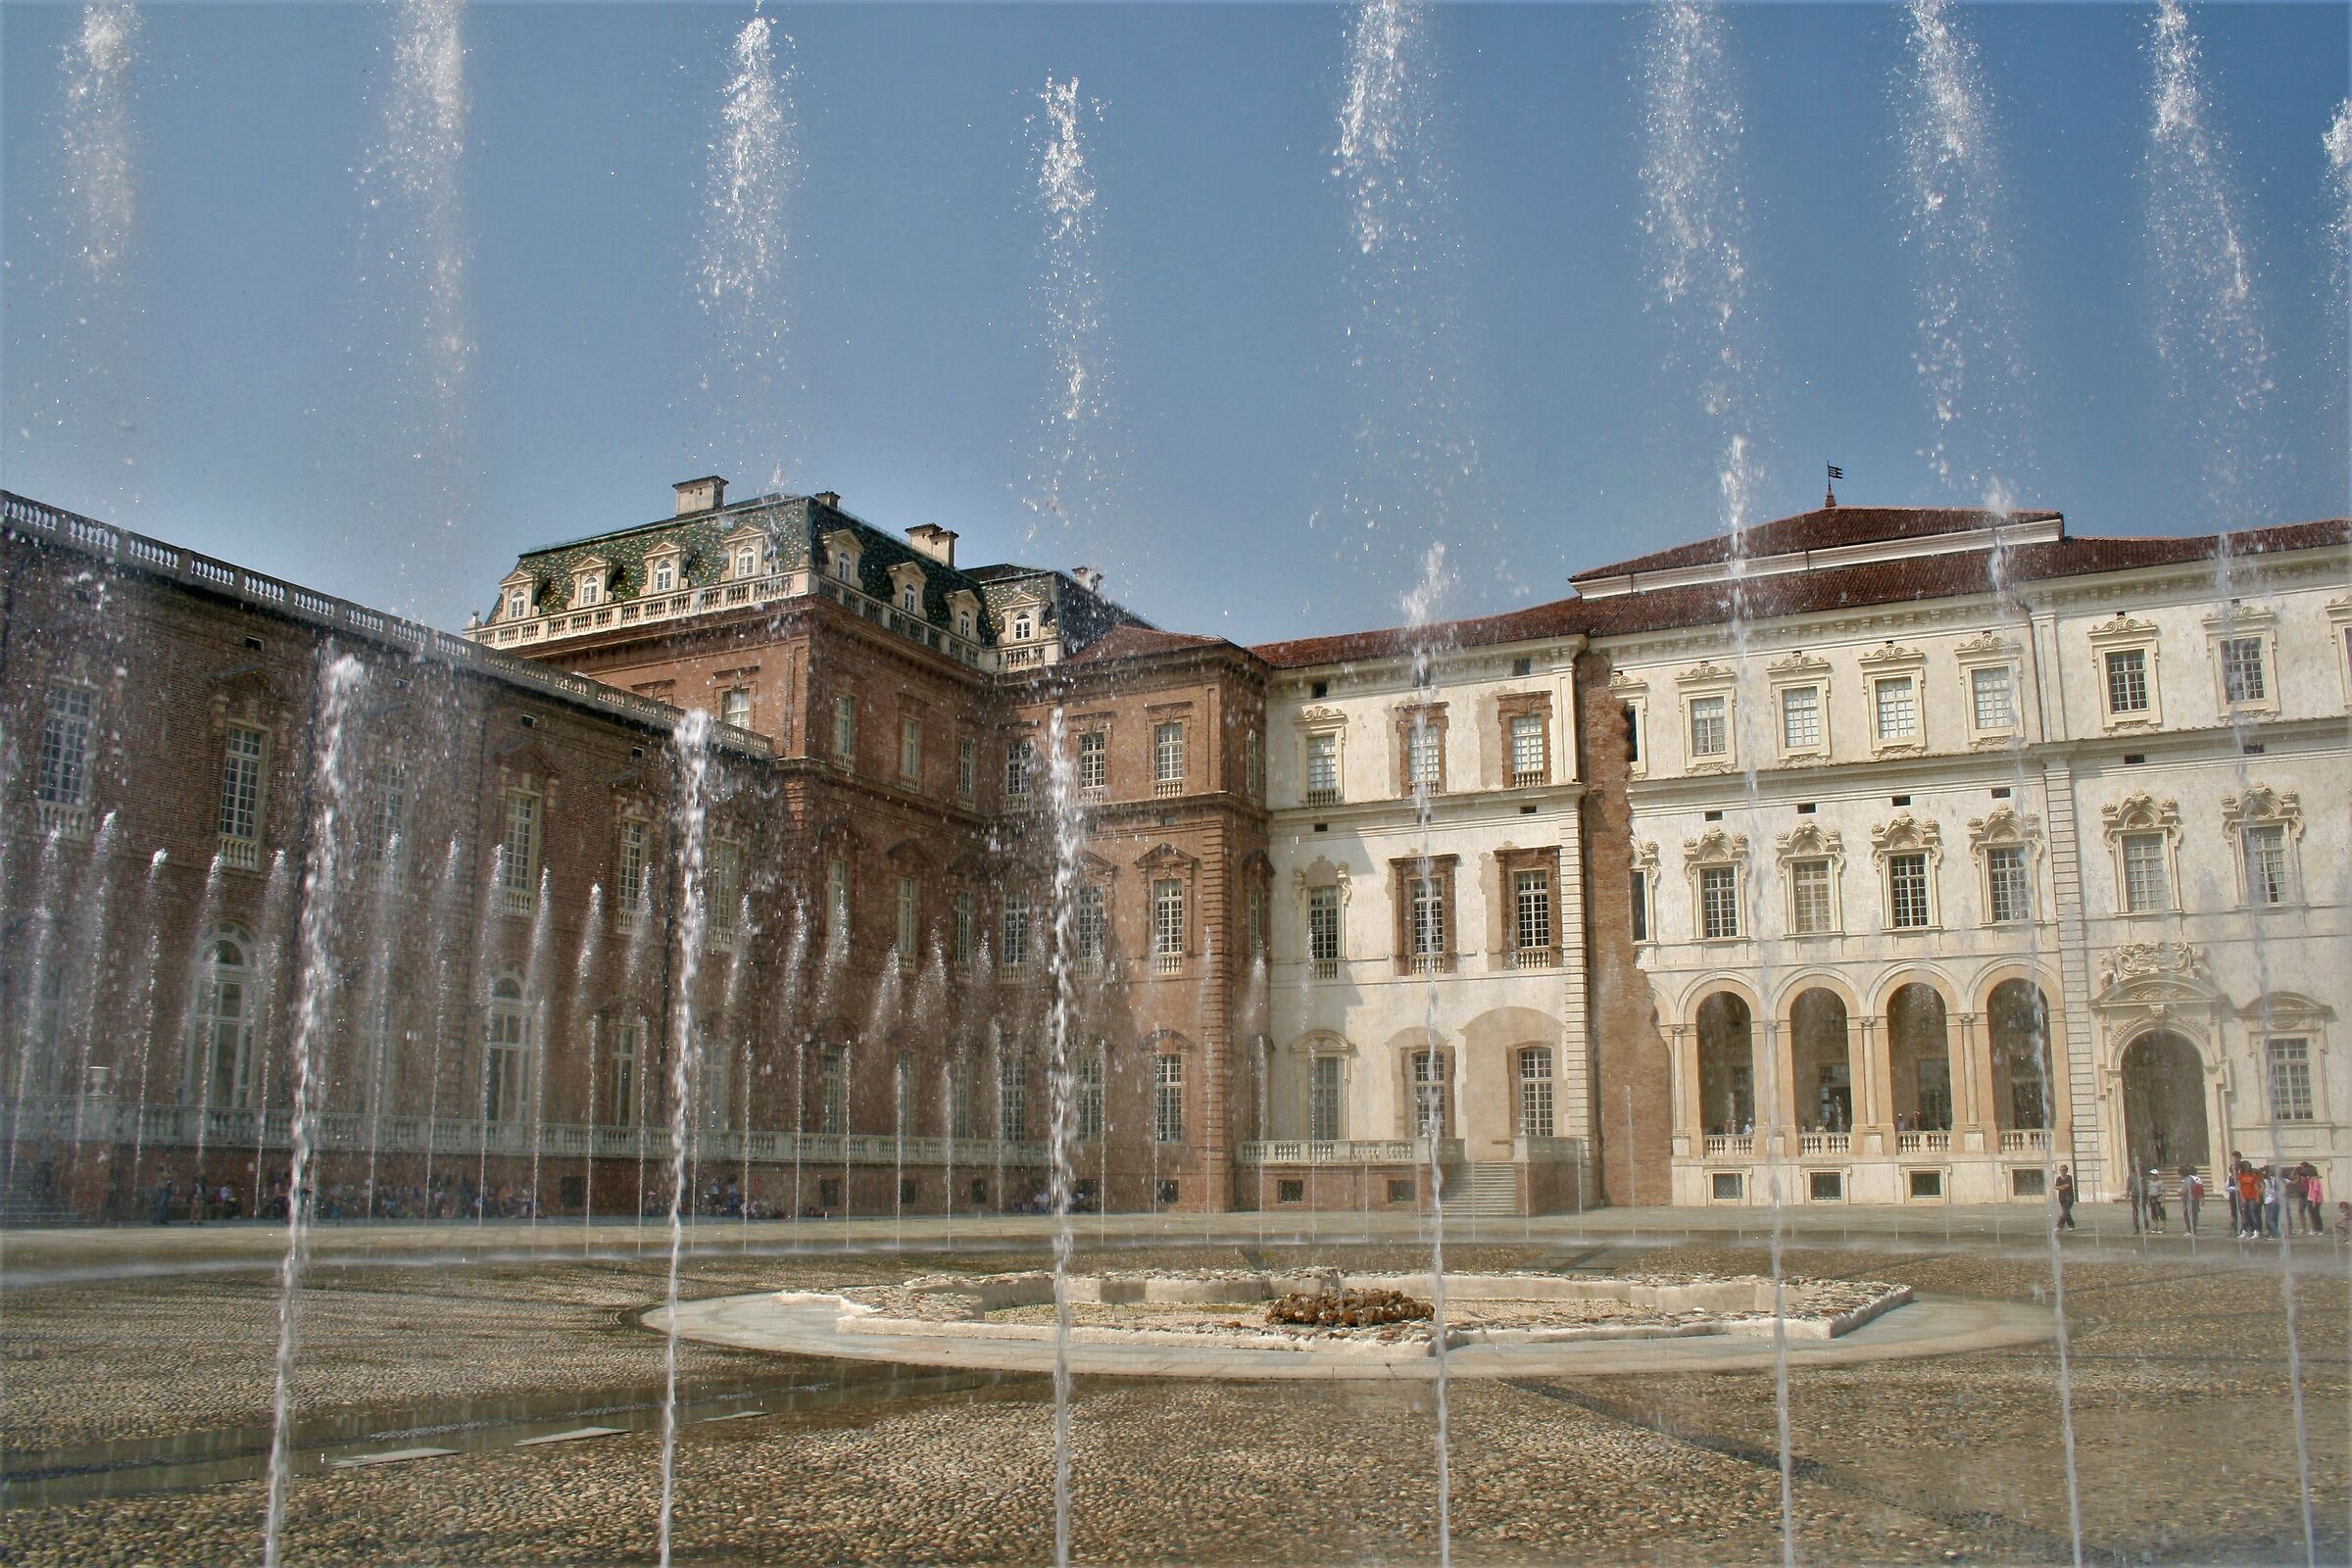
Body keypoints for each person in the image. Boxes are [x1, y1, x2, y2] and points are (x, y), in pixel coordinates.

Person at [2235, 1161, 2262, 1239]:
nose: (2248, 1167)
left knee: (2254, 1214)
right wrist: (2242, 1197)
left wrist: (2257, 1197)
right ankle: (2245, 1231)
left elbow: (2256, 1186)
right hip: (2244, 1197)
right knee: (2244, 1215)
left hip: (2252, 1197)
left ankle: (2256, 1231)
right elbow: (2239, 1188)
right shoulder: (2240, 1176)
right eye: (2246, 1166)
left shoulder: (2254, 1175)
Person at [2179, 1165, 2202, 1237]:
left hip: (2190, 1200)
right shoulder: (2191, 1179)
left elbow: (2184, 1191)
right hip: (2192, 1199)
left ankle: (2192, 1231)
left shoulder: (2187, 1180)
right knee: (2191, 1215)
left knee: (2189, 1215)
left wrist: (2179, 1192)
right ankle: (2192, 1230)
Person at [2143, 1167, 2166, 1234]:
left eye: (2153, 1175)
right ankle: (2156, 1226)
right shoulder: (2150, 1182)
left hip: (2158, 1197)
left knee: (2161, 1212)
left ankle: (2163, 1227)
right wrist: (2148, 1201)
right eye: (2151, 1175)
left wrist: (2162, 1201)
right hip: (2152, 1198)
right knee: (2154, 1213)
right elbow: (2149, 1192)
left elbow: (2163, 1191)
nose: (2152, 1176)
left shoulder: (2160, 1182)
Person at [2054, 1165, 2076, 1231]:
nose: (2062, 1171)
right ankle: (2071, 1225)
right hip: (2062, 1198)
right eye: (2061, 1170)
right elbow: (2055, 1186)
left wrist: (2060, 1187)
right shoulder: (2058, 1178)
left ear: (2066, 1171)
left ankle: (2060, 1226)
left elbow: (2067, 1185)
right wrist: (2061, 1187)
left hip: (2069, 1198)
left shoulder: (2069, 1177)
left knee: (2065, 1212)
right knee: (2066, 1212)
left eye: (2064, 1170)